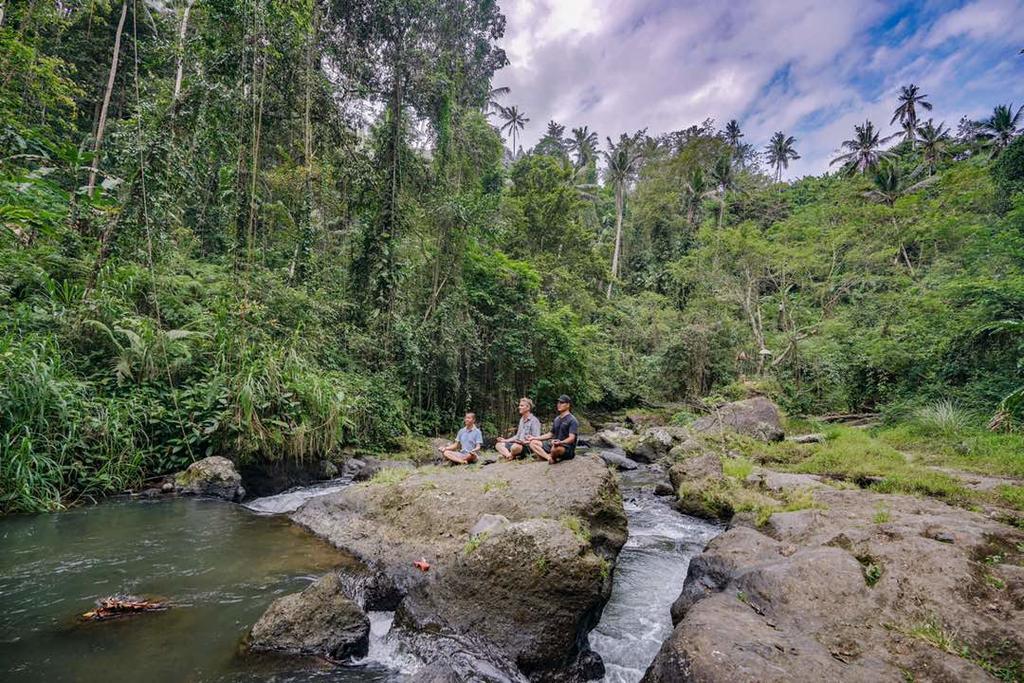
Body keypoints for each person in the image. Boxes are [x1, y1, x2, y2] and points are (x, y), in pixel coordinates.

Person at [527, 395, 579, 464]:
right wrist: (534, 437)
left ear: (568, 405)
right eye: (558, 403)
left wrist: (561, 442)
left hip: (565, 448)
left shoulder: (572, 420)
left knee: (554, 449)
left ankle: (546, 456)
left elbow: (572, 438)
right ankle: (549, 458)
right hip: (554, 444)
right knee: (533, 442)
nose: (559, 404)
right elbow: (551, 434)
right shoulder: (557, 419)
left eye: (562, 403)